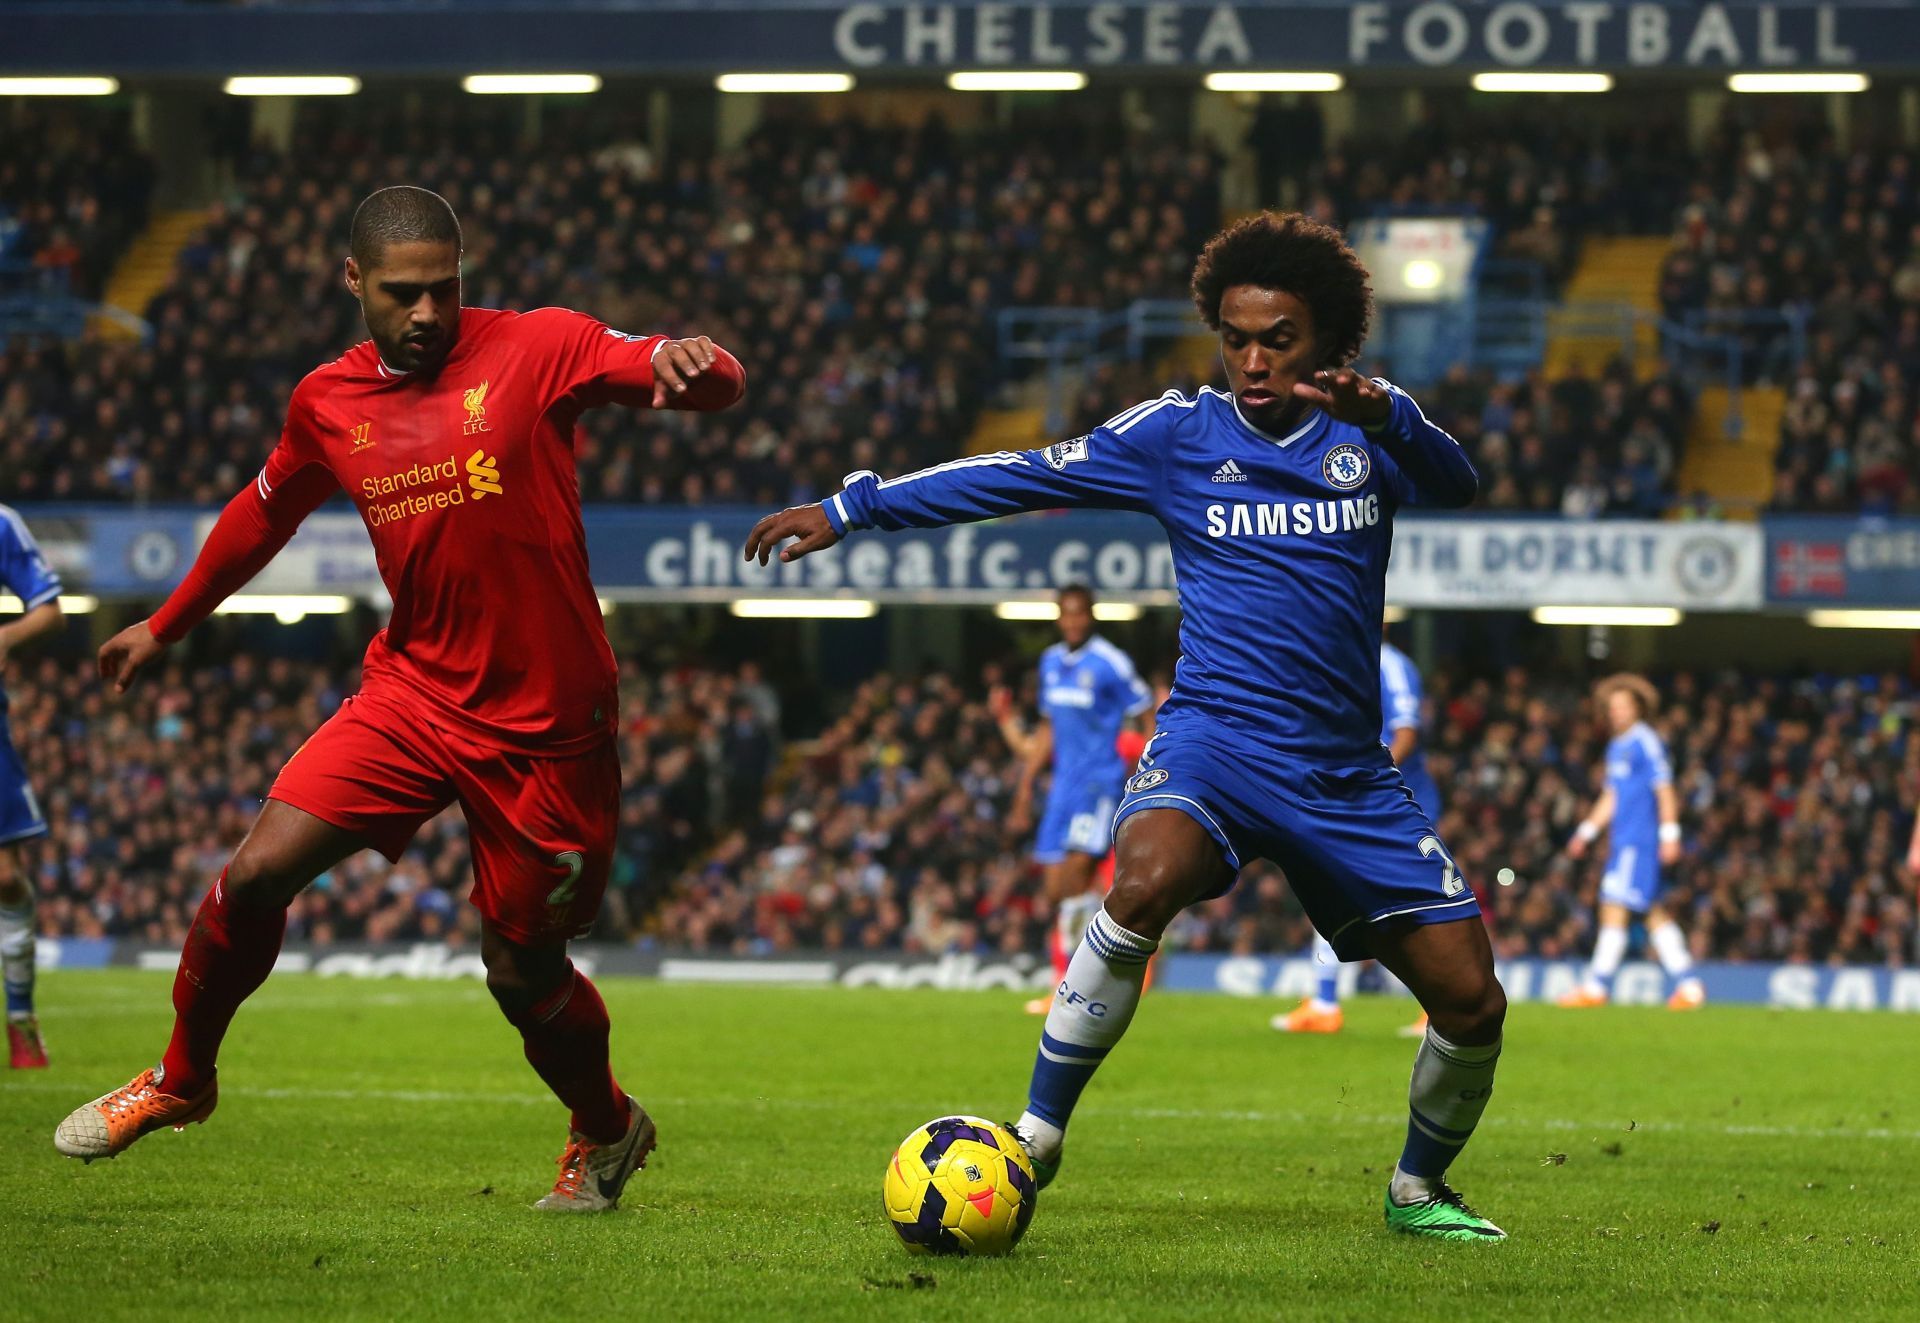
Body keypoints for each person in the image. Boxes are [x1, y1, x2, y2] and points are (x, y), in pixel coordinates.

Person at [747, 212, 1507, 1240]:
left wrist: (1391, 419)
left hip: (1343, 775)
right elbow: (1023, 475)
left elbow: (1463, 488)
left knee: (1471, 1003)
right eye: (1234, 337)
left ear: (1329, 341)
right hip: (1216, 744)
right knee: (1144, 880)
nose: (1251, 360)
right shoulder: (1177, 435)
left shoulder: (1372, 433)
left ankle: (1417, 1188)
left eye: (1277, 338)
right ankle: (1037, 1136)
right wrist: (854, 509)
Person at [52, 186, 745, 1211]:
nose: (427, 313)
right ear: (354, 282)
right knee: (253, 877)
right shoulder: (327, 401)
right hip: (412, 691)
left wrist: (698, 359)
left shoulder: (538, 346)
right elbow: (262, 512)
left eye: (444, 290)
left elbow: (698, 379)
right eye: (403, 294)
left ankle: (606, 1128)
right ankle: (182, 1080)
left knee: (520, 971)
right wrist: (167, 622)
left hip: (549, 727)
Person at [991, 585, 1153, 1014]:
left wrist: (1153, 765)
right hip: (1061, 788)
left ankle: (1074, 986)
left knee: (1076, 879)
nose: (1073, 621)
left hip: (1098, 785)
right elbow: (1046, 732)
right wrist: (1026, 789)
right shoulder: (1050, 663)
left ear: (1091, 616)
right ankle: (1077, 978)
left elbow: (1146, 708)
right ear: (1059, 617)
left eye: (1080, 614)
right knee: (1057, 891)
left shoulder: (1110, 662)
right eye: (1067, 614)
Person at [1272, 633, 1439, 1038]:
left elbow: (1407, 733)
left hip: (1394, 802)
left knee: (1413, 903)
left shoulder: (1390, 664)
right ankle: (1325, 1004)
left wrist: (1370, 779)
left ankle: (1438, 1008)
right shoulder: (1334, 659)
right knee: (1327, 893)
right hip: (1347, 801)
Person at [1560, 674, 1703, 1010]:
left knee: (1614, 905)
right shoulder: (1616, 746)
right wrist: (1586, 832)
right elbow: (1612, 795)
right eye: (1613, 708)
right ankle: (1690, 986)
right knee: (1650, 913)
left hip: (1639, 843)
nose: (1618, 713)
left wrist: (1670, 835)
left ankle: (1596, 986)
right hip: (1623, 842)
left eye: (1624, 706)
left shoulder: (1645, 741)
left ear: (1638, 708)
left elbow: (1664, 789)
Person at [0, 505, 65, 1069]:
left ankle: (20, 1015)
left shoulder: (2, 523)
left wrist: (5, 638)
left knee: (4, 877)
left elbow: (49, 612)